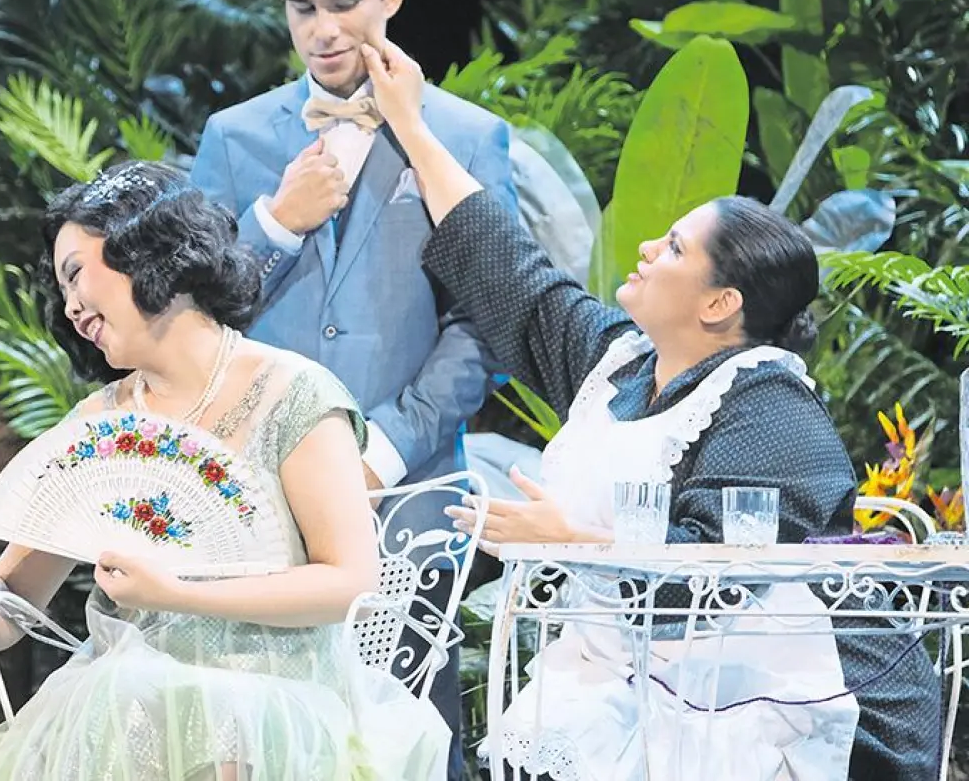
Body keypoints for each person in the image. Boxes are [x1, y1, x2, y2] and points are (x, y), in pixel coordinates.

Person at [362, 39, 941, 779]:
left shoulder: (770, 407)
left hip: (795, 711)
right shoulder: (622, 363)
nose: (643, 248)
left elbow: (718, 577)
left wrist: (572, 541)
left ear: (720, 302)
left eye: (672, 249)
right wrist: (410, 123)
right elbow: (504, 264)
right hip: (648, 684)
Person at [0, 161, 451, 779]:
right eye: (62, 290)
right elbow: (16, 592)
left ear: (143, 247)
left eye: (76, 274)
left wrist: (175, 593)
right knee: (124, 697)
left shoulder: (292, 393)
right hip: (124, 712)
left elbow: (349, 582)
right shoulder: (99, 424)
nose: (72, 306)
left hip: (277, 712)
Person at [187, 0, 518, 764]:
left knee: (408, 739)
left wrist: (383, 451)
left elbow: (484, 327)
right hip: (255, 487)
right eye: (304, 10)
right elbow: (193, 319)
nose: (325, 31)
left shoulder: (468, 138)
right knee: (259, 736)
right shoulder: (233, 138)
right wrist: (277, 224)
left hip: (407, 492)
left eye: (345, 4)